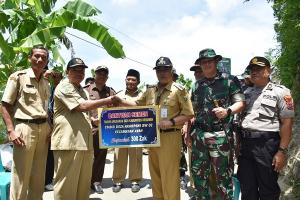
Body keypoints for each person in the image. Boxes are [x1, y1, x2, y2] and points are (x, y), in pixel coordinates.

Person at [112, 56, 194, 200]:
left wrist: (172, 122)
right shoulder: (150, 90)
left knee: (169, 176)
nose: (162, 73)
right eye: (159, 70)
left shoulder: (179, 90)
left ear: (171, 70)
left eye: (165, 69)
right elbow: (137, 104)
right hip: (153, 138)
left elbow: (188, 114)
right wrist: (120, 101)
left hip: (170, 137)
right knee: (155, 175)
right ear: (156, 72)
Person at [51, 58, 114, 200]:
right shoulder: (64, 86)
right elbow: (82, 106)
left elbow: (83, 114)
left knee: (82, 185)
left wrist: (94, 121)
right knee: (66, 185)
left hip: (84, 143)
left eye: (82, 70)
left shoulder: (81, 90)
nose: (80, 73)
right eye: (75, 70)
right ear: (67, 72)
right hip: (69, 142)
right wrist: (108, 100)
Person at [188, 48, 245, 199]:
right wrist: (189, 134)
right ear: (200, 64)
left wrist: (227, 111)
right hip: (199, 136)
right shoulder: (196, 86)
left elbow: (240, 102)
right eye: (203, 62)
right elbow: (192, 112)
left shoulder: (229, 80)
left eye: (209, 61)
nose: (206, 64)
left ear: (216, 62)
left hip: (220, 135)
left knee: (223, 177)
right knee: (199, 176)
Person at [1, 45, 56, 199]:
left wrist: (50, 127)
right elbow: (5, 105)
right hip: (24, 128)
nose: (39, 59)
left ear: (46, 61)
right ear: (29, 58)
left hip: (43, 130)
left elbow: (46, 107)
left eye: (44, 58)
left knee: (39, 177)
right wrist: (11, 131)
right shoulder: (18, 77)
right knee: (21, 175)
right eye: (36, 56)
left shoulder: (46, 82)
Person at [237, 56, 294, 200]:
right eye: (252, 70)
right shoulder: (246, 93)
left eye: (258, 69)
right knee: (247, 187)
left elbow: (287, 123)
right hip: (246, 145)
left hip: (267, 145)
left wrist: (281, 151)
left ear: (268, 71)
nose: (254, 72)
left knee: (268, 188)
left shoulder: (281, 92)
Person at [84, 65, 116, 194]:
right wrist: (91, 120)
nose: (102, 76)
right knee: (85, 157)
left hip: (104, 131)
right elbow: (79, 108)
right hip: (87, 128)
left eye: (104, 74)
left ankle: (96, 182)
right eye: (99, 74)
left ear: (107, 77)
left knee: (100, 157)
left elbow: (117, 109)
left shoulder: (111, 92)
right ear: (94, 75)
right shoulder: (85, 90)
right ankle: (84, 181)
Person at [112, 69, 143, 193]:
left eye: (133, 80)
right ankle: (118, 180)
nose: (130, 81)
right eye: (128, 79)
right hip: (120, 130)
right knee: (119, 155)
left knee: (136, 155)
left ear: (138, 82)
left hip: (137, 129)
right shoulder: (118, 94)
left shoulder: (143, 95)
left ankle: (135, 180)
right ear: (125, 80)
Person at [45, 72, 63, 191]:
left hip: (54, 127)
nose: (55, 79)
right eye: (54, 77)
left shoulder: (59, 90)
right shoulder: (45, 87)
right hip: (42, 123)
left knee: (51, 156)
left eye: (58, 77)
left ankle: (48, 180)